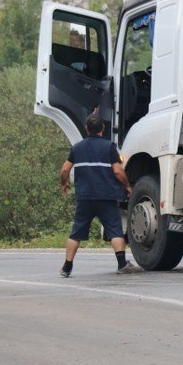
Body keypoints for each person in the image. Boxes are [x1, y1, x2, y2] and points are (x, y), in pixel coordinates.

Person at [59, 113, 142, 276]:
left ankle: (67, 267)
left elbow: (64, 169)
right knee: (115, 231)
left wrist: (64, 183)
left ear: (86, 128)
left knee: (76, 233)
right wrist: (128, 185)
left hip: (85, 198)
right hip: (106, 197)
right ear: (103, 128)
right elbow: (118, 171)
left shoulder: (77, 148)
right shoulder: (108, 147)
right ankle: (122, 265)